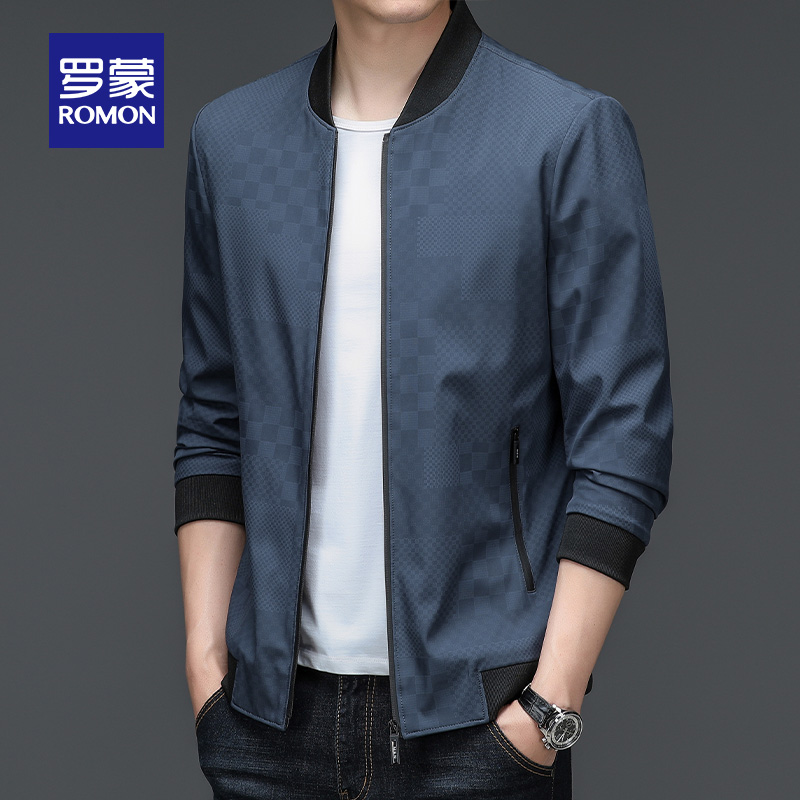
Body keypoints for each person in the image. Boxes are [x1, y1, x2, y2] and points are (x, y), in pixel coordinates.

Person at [173, 1, 673, 797]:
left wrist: (550, 704)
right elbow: (213, 417)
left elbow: (625, 437)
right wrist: (206, 662)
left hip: (484, 724)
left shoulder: (564, 134)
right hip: (264, 729)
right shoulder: (232, 141)